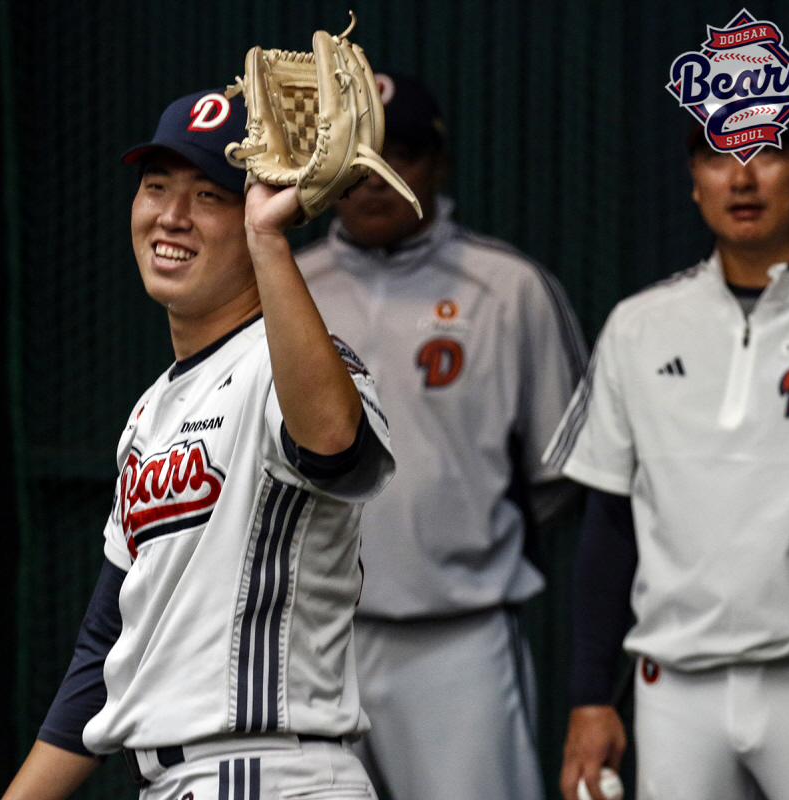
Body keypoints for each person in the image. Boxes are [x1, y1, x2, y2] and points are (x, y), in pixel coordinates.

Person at [1, 89, 395, 800]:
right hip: (182, 780)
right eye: (156, 187)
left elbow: (337, 446)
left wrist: (269, 240)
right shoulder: (151, 412)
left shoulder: (295, 365)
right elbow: (105, 649)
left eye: (211, 194)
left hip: (267, 770)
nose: (171, 216)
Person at [295, 74, 587, 800]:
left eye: (404, 154)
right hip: (309, 642)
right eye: (358, 158)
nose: (376, 179)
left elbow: (563, 473)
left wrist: (454, 536)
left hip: (458, 640)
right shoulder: (286, 287)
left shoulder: (509, 285)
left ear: (439, 165)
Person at [548, 115, 789, 800]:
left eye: (767, 152)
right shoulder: (639, 324)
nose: (741, 176)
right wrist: (591, 697)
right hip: (676, 685)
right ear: (694, 181)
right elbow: (610, 522)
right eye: (717, 157)